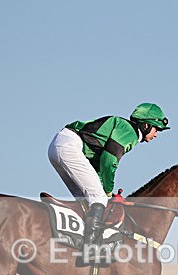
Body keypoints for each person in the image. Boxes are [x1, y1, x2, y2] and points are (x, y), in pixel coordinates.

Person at [48, 102, 170, 261]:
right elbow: (109, 161)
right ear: (146, 125)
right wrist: (107, 191)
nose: (156, 135)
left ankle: (75, 241)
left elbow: (98, 167)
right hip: (69, 146)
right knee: (98, 197)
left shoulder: (125, 130)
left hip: (61, 146)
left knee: (87, 200)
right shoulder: (129, 132)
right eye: (156, 129)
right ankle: (91, 247)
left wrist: (107, 192)